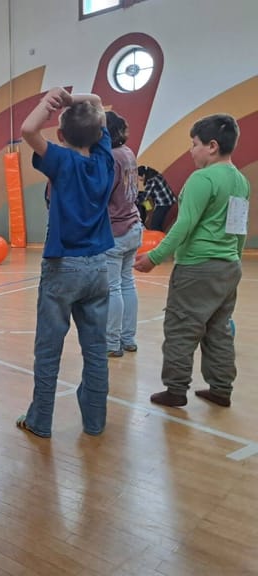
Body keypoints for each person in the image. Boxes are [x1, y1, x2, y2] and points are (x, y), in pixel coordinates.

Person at [17, 87, 114, 438]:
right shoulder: (106, 159)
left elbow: (28, 130)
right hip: (98, 267)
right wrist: (75, 102)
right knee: (96, 349)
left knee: (49, 349)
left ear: (60, 135)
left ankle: (41, 420)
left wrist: (51, 102)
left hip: (63, 269)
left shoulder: (62, 160)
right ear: (100, 132)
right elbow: (98, 104)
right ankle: (95, 421)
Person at [135, 114, 250, 408]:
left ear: (212, 146)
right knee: (219, 329)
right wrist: (234, 260)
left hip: (197, 267)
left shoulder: (202, 178)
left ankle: (175, 390)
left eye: (194, 144)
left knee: (180, 328)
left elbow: (183, 226)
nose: (191, 150)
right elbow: (239, 228)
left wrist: (155, 257)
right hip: (228, 267)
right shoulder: (240, 180)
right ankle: (221, 388)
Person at [104, 111, 143, 358]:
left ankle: (111, 342)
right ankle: (128, 338)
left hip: (116, 230)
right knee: (126, 283)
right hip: (133, 225)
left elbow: (103, 193)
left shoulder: (110, 158)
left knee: (112, 288)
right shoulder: (128, 153)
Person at [138, 165, 176, 231]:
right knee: (157, 223)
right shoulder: (155, 174)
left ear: (143, 175)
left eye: (139, 177)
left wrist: (133, 201)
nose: (139, 180)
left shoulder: (151, 181)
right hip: (169, 200)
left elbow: (144, 197)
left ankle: (160, 239)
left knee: (154, 225)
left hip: (164, 203)